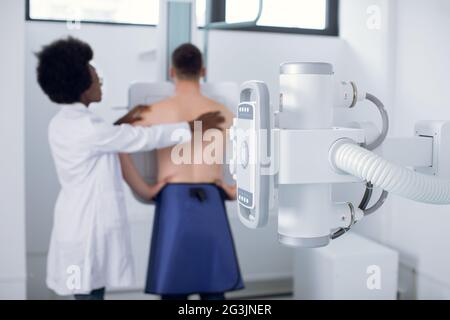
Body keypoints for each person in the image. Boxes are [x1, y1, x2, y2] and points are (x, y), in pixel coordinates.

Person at [36, 37, 224, 300]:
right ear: (80, 85)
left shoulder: (64, 122)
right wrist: (195, 126)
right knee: (88, 291)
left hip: (75, 223)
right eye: (94, 75)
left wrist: (124, 120)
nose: (100, 79)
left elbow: (106, 137)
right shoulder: (89, 128)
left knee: (88, 288)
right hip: (88, 228)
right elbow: (142, 138)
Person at [120, 43, 244, 300]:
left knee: (174, 291)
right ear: (203, 71)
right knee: (213, 292)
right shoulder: (223, 112)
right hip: (212, 199)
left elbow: (117, 144)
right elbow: (253, 153)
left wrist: (146, 190)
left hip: (173, 202)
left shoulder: (151, 112)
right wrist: (235, 190)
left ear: (171, 71)